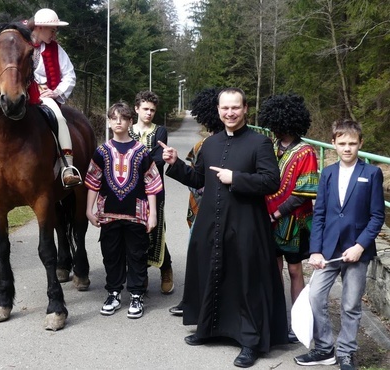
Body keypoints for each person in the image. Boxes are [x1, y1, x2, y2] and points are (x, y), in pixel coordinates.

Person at [160, 87, 288, 368]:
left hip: (246, 225)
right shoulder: (211, 144)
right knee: (211, 273)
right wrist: (175, 164)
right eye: (225, 108)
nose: (230, 113)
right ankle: (209, 329)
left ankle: (250, 342)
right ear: (218, 110)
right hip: (211, 223)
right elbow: (197, 179)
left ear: (245, 110)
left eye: (235, 107)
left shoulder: (260, 143)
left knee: (246, 280)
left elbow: (271, 182)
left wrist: (237, 178)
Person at [0, 8, 80, 191]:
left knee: (59, 118)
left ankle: (67, 167)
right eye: (52, 29)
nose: (54, 33)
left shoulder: (56, 50)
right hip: (18, 91)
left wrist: (55, 91)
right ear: (40, 28)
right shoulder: (16, 43)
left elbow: (70, 76)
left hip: (43, 97)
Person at [294, 120, 385, 370]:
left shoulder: (372, 174)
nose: (347, 148)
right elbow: (319, 213)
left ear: (360, 144)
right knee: (315, 296)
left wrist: (360, 246)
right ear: (333, 143)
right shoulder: (328, 173)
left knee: (350, 304)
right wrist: (315, 250)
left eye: (352, 143)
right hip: (328, 249)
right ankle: (324, 348)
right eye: (342, 143)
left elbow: (378, 215)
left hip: (357, 249)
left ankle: (346, 351)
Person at [85, 102, 162, 319]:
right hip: (108, 213)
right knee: (111, 254)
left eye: (123, 118)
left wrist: (153, 213)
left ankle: (136, 295)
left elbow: (152, 183)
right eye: (114, 118)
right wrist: (89, 210)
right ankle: (114, 292)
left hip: (137, 214)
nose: (118, 121)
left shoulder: (141, 151)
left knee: (137, 254)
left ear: (130, 121)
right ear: (109, 122)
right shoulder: (101, 151)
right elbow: (93, 181)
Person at [258, 94, 319, 343]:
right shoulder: (270, 146)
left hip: (294, 222)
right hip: (268, 219)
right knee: (273, 269)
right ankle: (276, 318)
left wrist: (276, 213)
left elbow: (303, 193)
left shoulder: (306, 152)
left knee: (295, 271)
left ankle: (298, 321)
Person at [168, 87, 224, 316]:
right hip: (200, 208)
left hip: (219, 209)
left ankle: (209, 304)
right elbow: (195, 177)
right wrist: (175, 163)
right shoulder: (202, 145)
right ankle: (192, 301)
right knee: (196, 256)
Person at [128, 91, 173, 294]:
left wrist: (133, 160)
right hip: (129, 191)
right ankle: (142, 273)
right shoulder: (127, 130)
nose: (149, 113)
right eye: (145, 109)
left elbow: (158, 159)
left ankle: (166, 268)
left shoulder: (160, 131)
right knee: (135, 233)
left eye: (152, 110)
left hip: (155, 190)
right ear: (136, 108)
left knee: (155, 230)